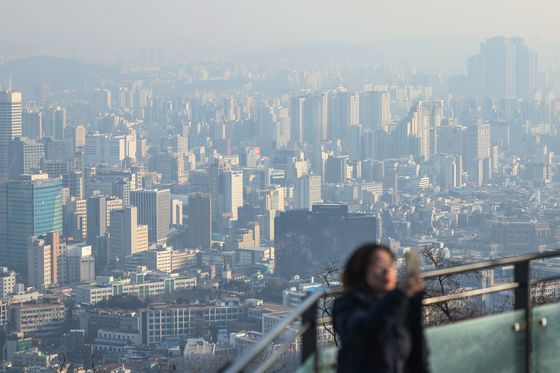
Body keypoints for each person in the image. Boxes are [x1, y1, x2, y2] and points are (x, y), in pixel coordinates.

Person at [332, 243, 429, 373]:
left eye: (391, 265)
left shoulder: (403, 305)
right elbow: (365, 330)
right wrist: (400, 295)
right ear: (361, 269)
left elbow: (417, 356)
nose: (387, 270)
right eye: (379, 264)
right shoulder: (346, 305)